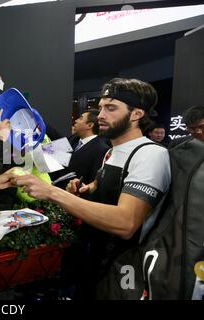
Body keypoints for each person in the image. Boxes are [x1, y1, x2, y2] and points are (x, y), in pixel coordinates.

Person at [11, 78, 171, 299]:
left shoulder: (149, 154)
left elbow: (126, 223)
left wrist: (52, 192)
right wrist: (84, 189)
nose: (101, 115)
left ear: (137, 114)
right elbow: (103, 190)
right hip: (95, 261)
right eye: (102, 107)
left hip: (124, 270)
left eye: (111, 108)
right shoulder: (112, 152)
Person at [51, 109, 110, 189]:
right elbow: (50, 151)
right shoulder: (73, 138)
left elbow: (93, 181)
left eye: (81, 118)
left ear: (89, 125)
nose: (76, 120)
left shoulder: (101, 149)